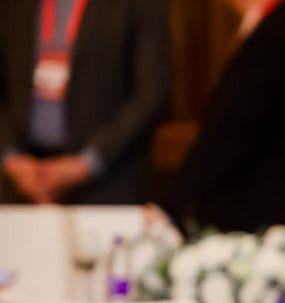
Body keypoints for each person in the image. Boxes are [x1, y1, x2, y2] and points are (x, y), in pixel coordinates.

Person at [158, 0, 285, 233]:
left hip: (269, 221)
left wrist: (172, 204)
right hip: (277, 217)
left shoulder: (278, 37)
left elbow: (230, 129)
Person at [0, 0, 171, 205]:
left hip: (108, 183)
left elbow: (152, 94)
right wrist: (11, 157)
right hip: (20, 183)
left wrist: (88, 163)